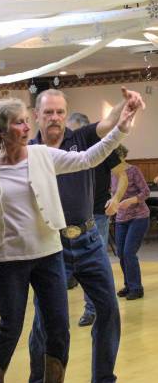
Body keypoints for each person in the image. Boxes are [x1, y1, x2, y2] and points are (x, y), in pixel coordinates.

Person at [0, 96, 137, 383]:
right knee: (10, 326)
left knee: (58, 325)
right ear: (1, 130)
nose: (27, 127)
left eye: (27, 120)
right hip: (6, 260)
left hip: (48, 254)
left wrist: (120, 129)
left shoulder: (42, 155)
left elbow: (88, 159)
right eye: (19, 121)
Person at [28, 88, 143, 383]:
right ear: (36, 114)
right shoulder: (29, 152)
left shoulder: (82, 139)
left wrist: (128, 104)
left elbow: (108, 123)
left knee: (108, 309)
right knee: (46, 320)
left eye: (59, 112)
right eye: (48, 112)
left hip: (90, 240)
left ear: (66, 114)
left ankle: (103, 382)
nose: (54, 118)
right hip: (51, 245)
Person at [67, 112, 128, 327]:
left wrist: (116, 199)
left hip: (97, 215)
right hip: (70, 217)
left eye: (72, 129)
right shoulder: (65, 151)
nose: (70, 134)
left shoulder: (103, 149)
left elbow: (123, 175)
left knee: (94, 263)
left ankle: (93, 309)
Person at [112, 145, 150, 300]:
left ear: (122, 156)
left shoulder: (133, 170)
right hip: (121, 218)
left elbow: (146, 192)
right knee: (121, 253)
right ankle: (129, 285)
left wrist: (131, 200)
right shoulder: (111, 173)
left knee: (128, 253)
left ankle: (136, 288)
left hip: (139, 217)